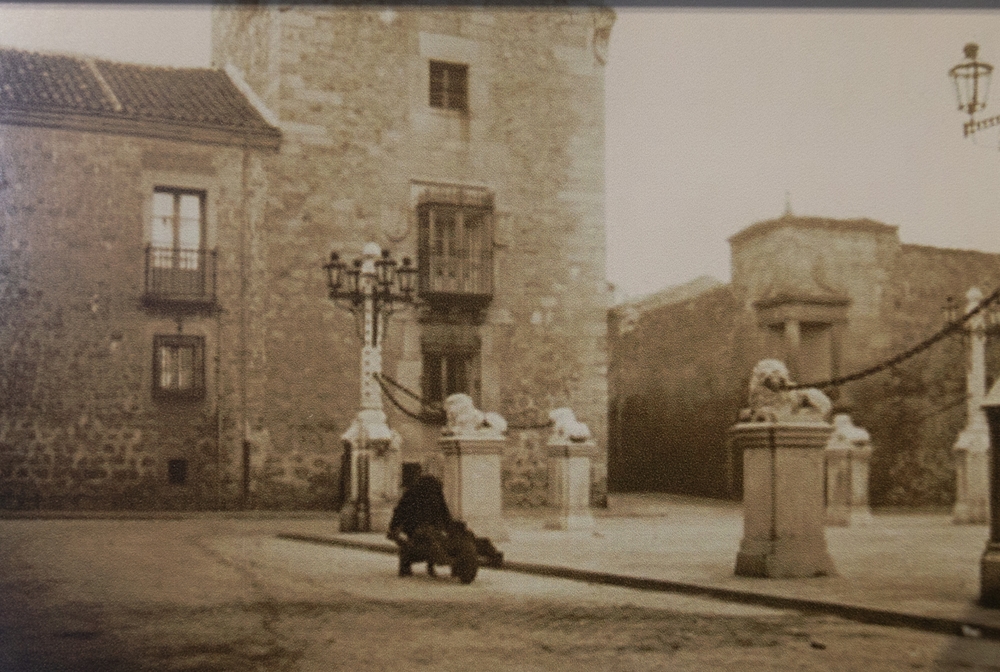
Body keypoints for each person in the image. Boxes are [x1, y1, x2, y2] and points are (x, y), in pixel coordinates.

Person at [387, 474, 452, 577]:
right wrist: (449, 527)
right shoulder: (436, 493)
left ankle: (405, 567)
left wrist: (393, 527)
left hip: (413, 528)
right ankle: (430, 566)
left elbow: (399, 511)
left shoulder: (411, 492)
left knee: (408, 545)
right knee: (433, 541)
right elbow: (445, 512)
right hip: (432, 527)